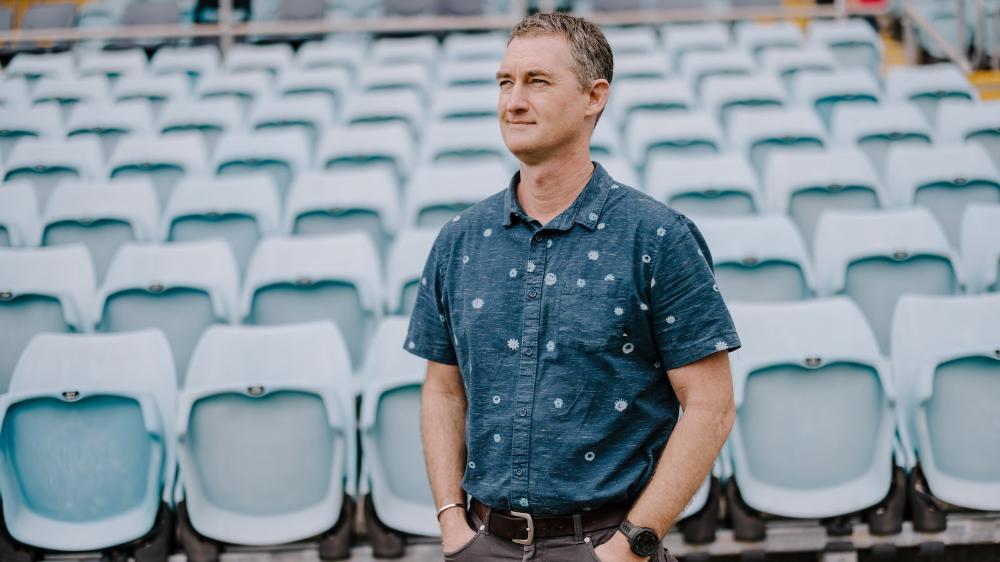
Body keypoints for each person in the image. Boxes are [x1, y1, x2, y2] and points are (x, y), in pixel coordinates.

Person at [403, 12, 742, 562]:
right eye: (505, 82)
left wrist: (633, 545)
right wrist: (450, 522)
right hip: (482, 544)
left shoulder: (657, 237)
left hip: (606, 547)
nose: (513, 101)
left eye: (537, 81)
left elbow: (711, 405)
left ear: (594, 97)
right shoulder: (458, 240)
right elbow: (442, 389)